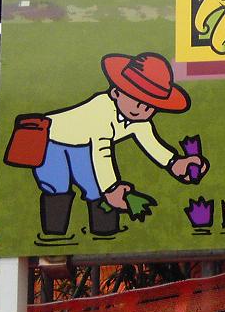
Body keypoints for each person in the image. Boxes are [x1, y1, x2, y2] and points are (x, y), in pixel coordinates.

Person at [32, 52, 207, 238]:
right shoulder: (101, 110)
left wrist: (174, 163)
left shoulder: (140, 121)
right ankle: (54, 235)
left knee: (94, 188)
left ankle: (104, 232)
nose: (141, 110)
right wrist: (111, 188)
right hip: (53, 142)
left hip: (83, 147)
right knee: (57, 187)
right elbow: (102, 151)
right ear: (115, 93)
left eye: (149, 106)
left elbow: (151, 143)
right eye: (136, 101)